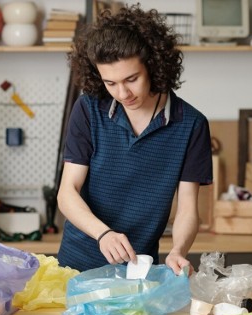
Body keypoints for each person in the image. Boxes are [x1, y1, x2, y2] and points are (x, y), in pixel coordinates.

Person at [57, 5, 213, 275]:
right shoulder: (89, 109)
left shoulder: (191, 125)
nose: (122, 93)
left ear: (153, 66)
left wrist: (178, 251)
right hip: (76, 264)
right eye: (110, 83)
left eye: (132, 79)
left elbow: (188, 206)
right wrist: (103, 234)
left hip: (137, 269)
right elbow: (67, 192)